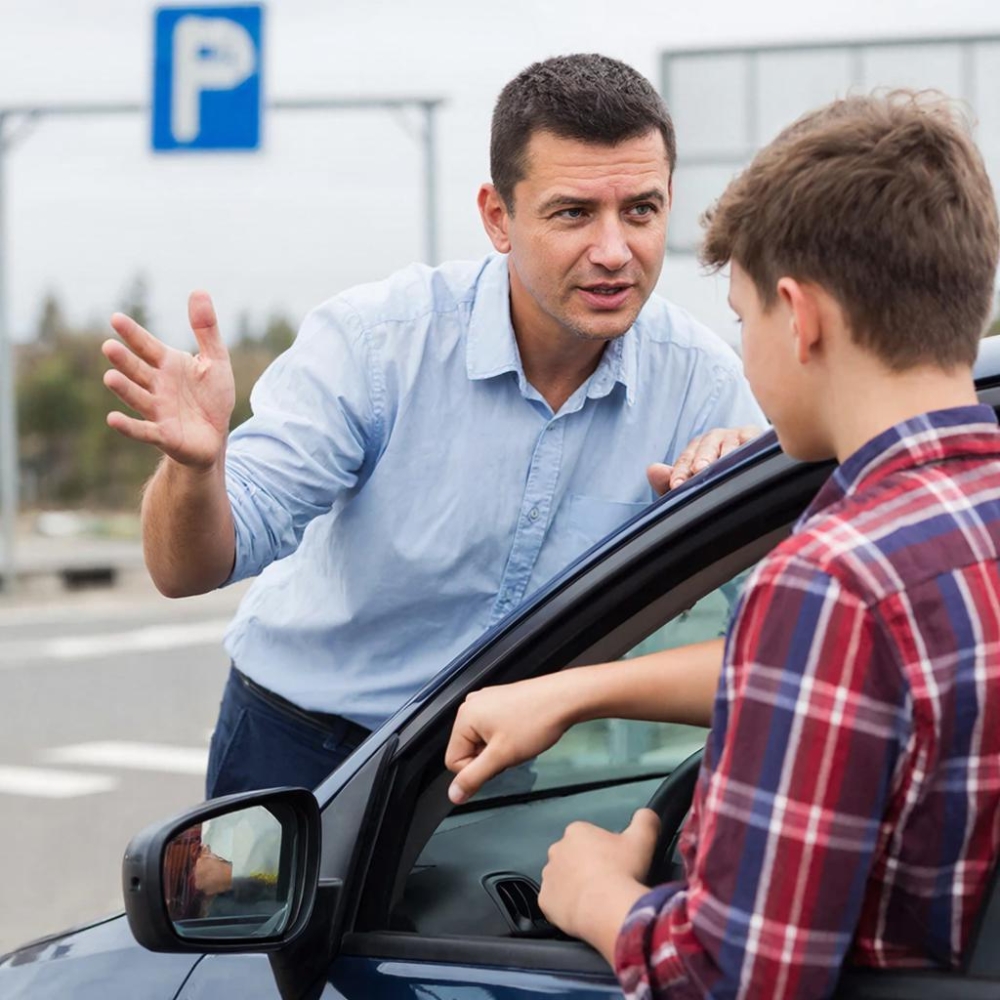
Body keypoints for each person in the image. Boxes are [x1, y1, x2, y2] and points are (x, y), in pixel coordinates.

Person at [445, 90, 1000, 997]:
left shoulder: (835, 580)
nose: (741, 354)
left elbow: (734, 980)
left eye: (743, 318)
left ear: (801, 315)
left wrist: (597, 896)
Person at [102, 53, 763, 799]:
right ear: (496, 217)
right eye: (573, 213)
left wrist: (741, 487)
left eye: (640, 211)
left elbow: (788, 641)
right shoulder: (375, 344)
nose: (614, 251)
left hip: (509, 758)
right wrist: (194, 471)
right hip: (300, 742)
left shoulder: (703, 385)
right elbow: (185, 570)